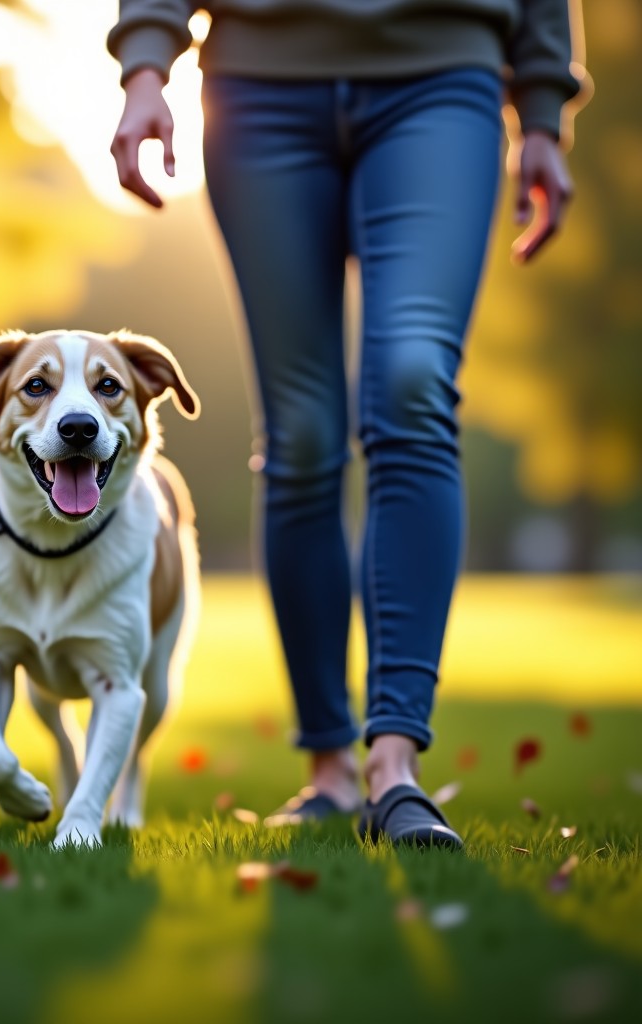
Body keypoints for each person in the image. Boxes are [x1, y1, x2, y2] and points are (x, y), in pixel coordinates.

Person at [107, 0, 584, 847]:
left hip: (443, 75)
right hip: (258, 84)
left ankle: (394, 764)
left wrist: (541, 105)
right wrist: (147, 59)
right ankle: (327, 765)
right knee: (302, 431)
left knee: (411, 387)